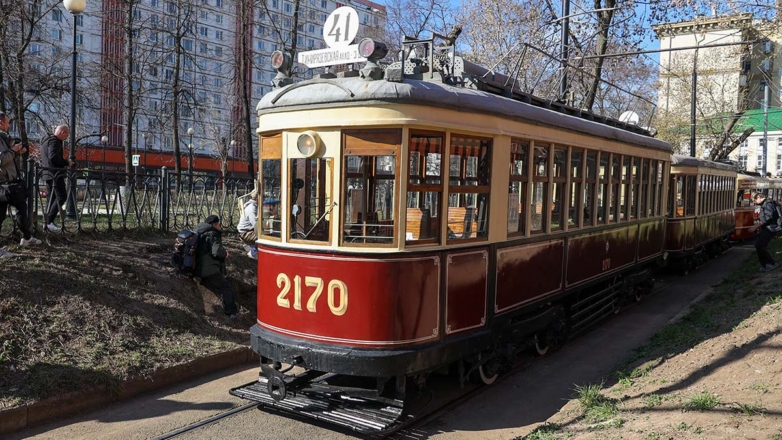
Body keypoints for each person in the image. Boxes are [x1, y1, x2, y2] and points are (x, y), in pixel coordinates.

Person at [0, 112, 42, 256]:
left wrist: (17, 149)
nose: (9, 125)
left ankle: (26, 237)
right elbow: (1, 160)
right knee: (2, 214)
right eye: (7, 123)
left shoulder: (4, 138)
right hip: (3, 183)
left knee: (21, 208)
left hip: (10, 182)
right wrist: (14, 150)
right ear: (1, 123)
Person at [194, 215, 239, 318]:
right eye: (219, 224)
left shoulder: (197, 230)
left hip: (194, 267)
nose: (220, 226)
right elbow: (216, 252)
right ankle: (232, 312)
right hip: (207, 269)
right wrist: (225, 253)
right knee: (225, 287)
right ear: (215, 224)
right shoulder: (213, 233)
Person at [40, 125, 73, 232]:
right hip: (55, 173)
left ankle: (47, 222)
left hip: (48, 173)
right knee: (61, 196)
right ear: (62, 132)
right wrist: (67, 163)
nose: (65, 138)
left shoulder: (46, 140)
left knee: (51, 198)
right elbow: (53, 157)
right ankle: (49, 221)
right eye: (66, 136)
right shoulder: (55, 141)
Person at [748, 192, 780, 272]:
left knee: (759, 245)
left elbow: (768, 217)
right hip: (768, 228)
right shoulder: (766, 204)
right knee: (760, 245)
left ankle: (770, 263)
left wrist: (756, 226)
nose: (754, 202)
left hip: (770, 228)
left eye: (754, 200)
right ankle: (766, 264)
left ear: (759, 197)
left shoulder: (768, 204)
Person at [237, 190, 258, 259]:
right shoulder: (252, 208)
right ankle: (253, 253)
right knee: (263, 237)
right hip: (245, 233)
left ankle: (250, 246)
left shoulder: (254, 206)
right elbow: (255, 224)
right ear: (258, 197)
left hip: (248, 230)